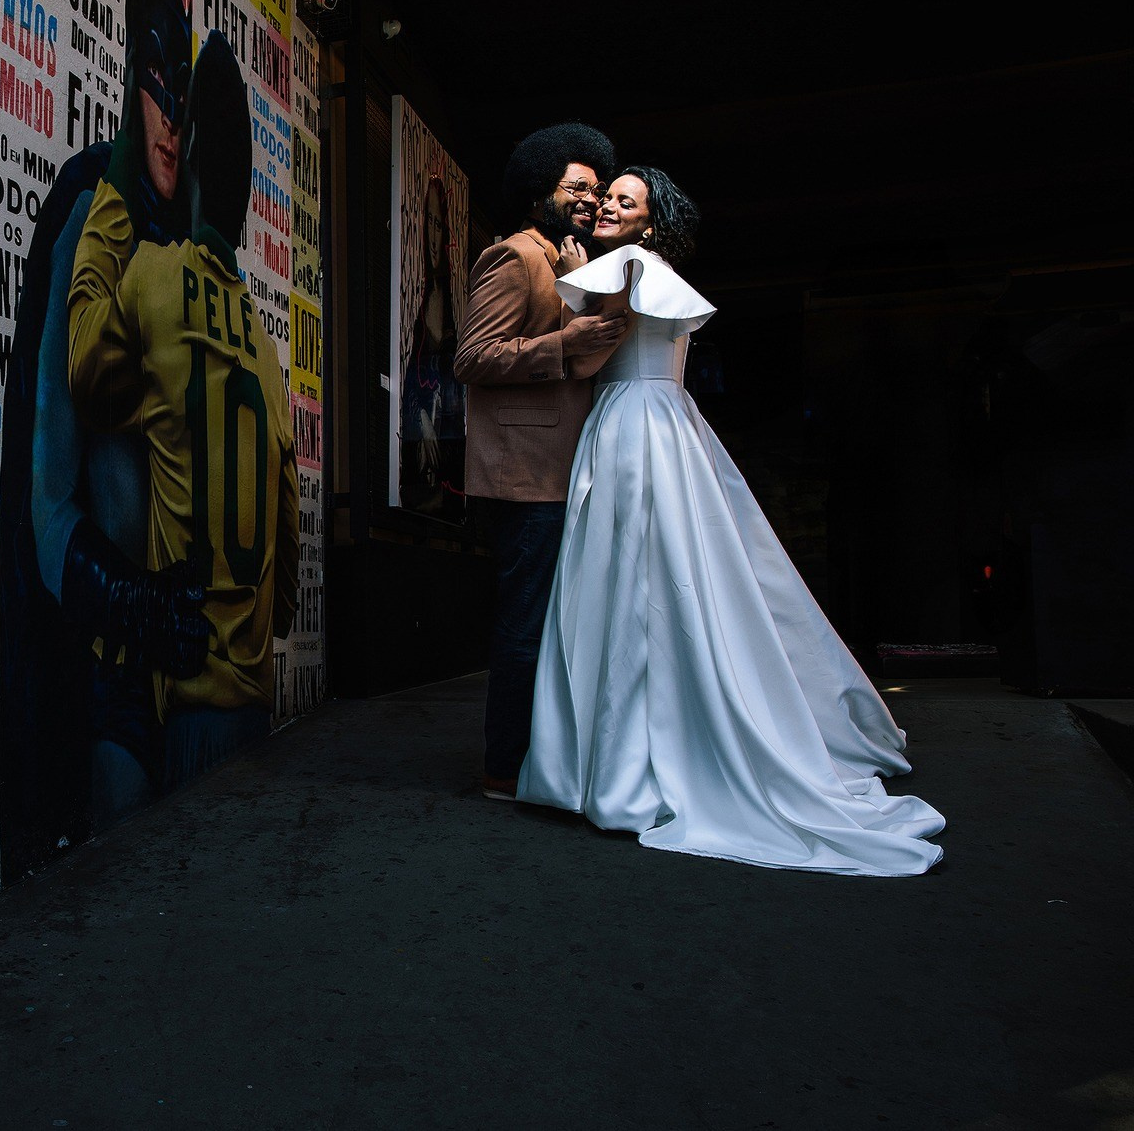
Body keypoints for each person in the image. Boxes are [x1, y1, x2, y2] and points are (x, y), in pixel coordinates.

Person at [517, 168, 946, 875]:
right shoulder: (651, 268)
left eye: (627, 201)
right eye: (610, 197)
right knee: (678, 574)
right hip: (667, 419)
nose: (610, 207)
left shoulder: (622, 267)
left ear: (649, 223)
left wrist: (568, 273)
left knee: (625, 583)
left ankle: (618, 762)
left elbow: (589, 348)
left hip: (631, 425)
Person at [0, 0, 211, 863]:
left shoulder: (197, 222)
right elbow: (47, 488)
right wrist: (121, 600)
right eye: (153, 86)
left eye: (183, 92)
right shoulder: (93, 199)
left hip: (195, 644)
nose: (171, 119)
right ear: (132, 85)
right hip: (106, 649)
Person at [69, 31, 300, 784]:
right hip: (256, 705)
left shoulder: (155, 277)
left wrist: (116, 183)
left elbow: (87, 372)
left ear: (193, 159)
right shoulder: (267, 351)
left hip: (188, 697)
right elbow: (291, 564)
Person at [454, 124, 628, 800]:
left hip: (567, 474)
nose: (590, 198)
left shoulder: (571, 256)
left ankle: (546, 763)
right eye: (576, 187)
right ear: (539, 190)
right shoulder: (514, 257)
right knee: (526, 627)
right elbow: (472, 357)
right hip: (526, 479)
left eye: (596, 188)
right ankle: (505, 770)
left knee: (558, 627)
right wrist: (564, 341)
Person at [400, 176, 462, 515]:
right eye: (431, 222)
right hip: (421, 427)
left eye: (440, 224)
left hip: (447, 430)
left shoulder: (449, 303)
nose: (435, 233)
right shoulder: (420, 300)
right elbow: (412, 375)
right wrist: (421, 416)